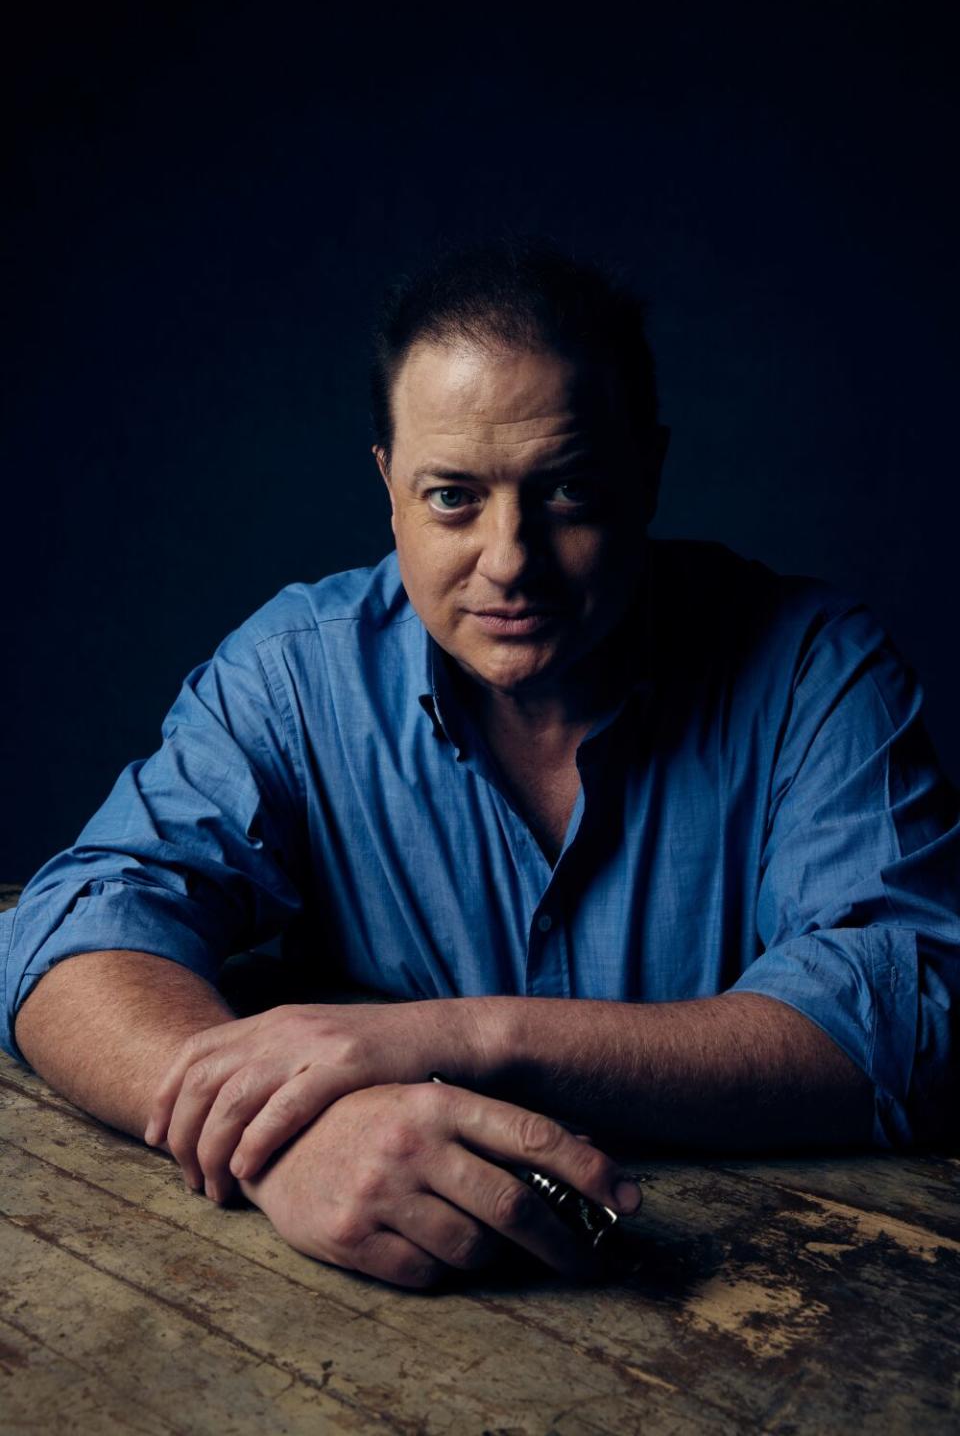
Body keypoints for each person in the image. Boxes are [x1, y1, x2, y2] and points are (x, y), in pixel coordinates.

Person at [4, 238, 959, 1291]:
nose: (509, 560)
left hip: (780, 1296)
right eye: (453, 497)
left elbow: (905, 1015)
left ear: (648, 471)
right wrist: (276, 1137)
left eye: (567, 494)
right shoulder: (292, 676)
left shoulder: (814, 668)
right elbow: (76, 934)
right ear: (389, 484)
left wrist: (464, 1037)